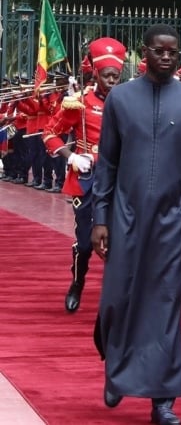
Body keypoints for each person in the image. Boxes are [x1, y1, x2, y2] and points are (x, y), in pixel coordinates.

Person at [91, 24, 181, 425]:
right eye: (159, 51)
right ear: (144, 53)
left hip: (173, 220)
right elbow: (107, 163)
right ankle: (117, 367)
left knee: (164, 306)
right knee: (116, 301)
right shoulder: (121, 100)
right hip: (125, 217)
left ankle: (162, 400)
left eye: (172, 52)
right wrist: (99, 217)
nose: (166, 57)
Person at [43, 37, 127, 312]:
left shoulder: (129, 102)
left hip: (121, 180)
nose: (112, 81)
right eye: (107, 76)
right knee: (87, 241)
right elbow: (50, 134)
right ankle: (77, 282)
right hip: (87, 179)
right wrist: (71, 157)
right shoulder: (77, 103)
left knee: (121, 240)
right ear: (95, 73)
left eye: (116, 75)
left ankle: (117, 297)